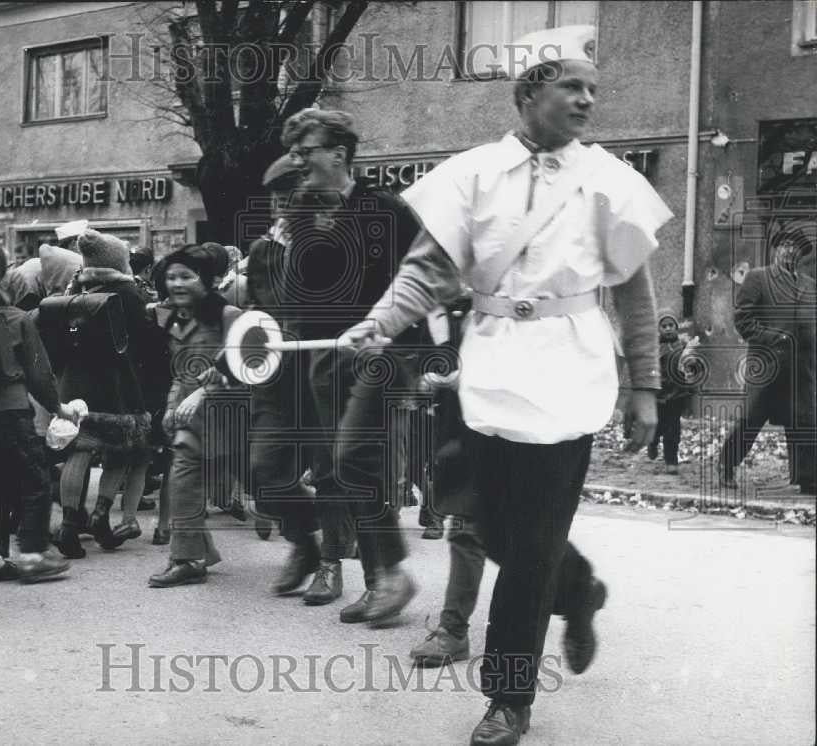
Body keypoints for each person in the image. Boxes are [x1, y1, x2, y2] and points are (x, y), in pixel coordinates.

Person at [341, 25, 670, 745]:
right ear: (528, 92)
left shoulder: (610, 180)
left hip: (569, 369)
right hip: (488, 363)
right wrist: (380, 319)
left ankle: (508, 699)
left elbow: (636, 293)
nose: (586, 100)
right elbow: (428, 270)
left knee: (530, 544)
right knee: (476, 514)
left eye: (593, 89)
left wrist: (645, 384)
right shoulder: (474, 172)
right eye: (571, 86)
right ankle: (577, 590)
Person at [249, 109, 423, 626]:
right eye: (294, 152)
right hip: (324, 357)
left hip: (380, 354)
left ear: (340, 155)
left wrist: (400, 346)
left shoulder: (386, 209)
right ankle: (380, 581)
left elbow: (419, 281)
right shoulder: (302, 212)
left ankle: (386, 578)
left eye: (306, 151)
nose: (297, 162)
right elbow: (303, 292)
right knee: (348, 467)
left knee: (356, 459)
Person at [0, 239, 73, 584]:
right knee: (35, 482)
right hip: (11, 414)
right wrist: (57, 407)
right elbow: (39, 374)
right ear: (0, 273)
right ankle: (34, 556)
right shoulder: (17, 319)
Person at [50, 229, 168, 557]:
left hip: (74, 381)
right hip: (118, 382)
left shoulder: (75, 288)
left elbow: (69, 331)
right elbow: (146, 339)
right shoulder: (128, 292)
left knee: (80, 451)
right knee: (123, 451)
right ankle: (101, 515)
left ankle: (70, 525)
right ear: (119, 262)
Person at [147, 244, 238, 587]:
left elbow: (246, 364)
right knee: (182, 478)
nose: (177, 283)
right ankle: (187, 558)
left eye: (186, 276)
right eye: (171, 277)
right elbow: (180, 373)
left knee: (268, 484)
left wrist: (205, 391)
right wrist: (172, 405)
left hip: (235, 418)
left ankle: (316, 540)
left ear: (208, 280)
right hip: (194, 420)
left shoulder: (230, 315)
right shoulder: (174, 320)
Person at [718, 231, 816, 494]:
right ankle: (727, 465)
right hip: (767, 365)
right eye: (785, 245)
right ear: (775, 250)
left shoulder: (809, 284)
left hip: (801, 368)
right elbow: (744, 322)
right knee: (751, 419)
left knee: (805, 420)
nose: (789, 251)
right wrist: (776, 338)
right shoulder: (757, 278)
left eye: (795, 248)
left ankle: (807, 479)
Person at [648, 312, 699, 474]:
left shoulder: (683, 346)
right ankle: (652, 441)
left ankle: (671, 460)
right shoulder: (654, 348)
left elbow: (691, 366)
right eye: (664, 326)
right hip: (659, 394)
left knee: (673, 428)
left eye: (671, 326)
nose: (668, 329)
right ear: (659, 329)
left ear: (676, 328)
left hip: (677, 393)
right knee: (658, 425)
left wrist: (692, 365)